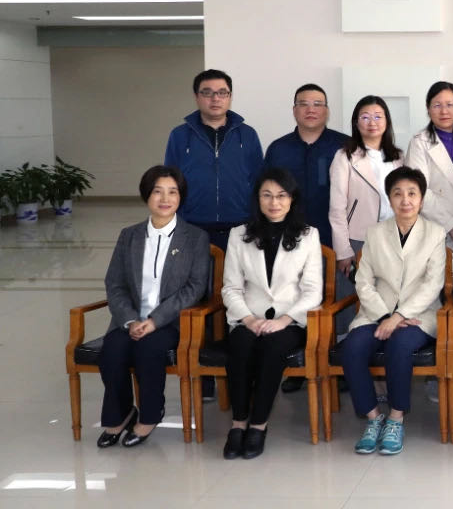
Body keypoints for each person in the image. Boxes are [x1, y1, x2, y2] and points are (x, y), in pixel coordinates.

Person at [96, 166, 210, 448]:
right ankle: (121, 413)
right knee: (112, 350)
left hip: (171, 322)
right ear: (147, 195)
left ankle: (150, 414)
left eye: (172, 192)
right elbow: (115, 284)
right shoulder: (129, 236)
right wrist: (130, 320)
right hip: (131, 320)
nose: (165, 199)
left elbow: (195, 288)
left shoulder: (195, 237)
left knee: (148, 349)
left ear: (181, 197)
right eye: (158, 191)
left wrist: (155, 320)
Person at [342, 167, 447, 456]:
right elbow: (363, 281)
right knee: (352, 347)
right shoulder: (375, 233)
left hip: (419, 315)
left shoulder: (435, 234)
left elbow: (433, 284)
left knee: (399, 345)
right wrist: (384, 316)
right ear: (389, 199)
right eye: (398, 194)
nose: (405, 200)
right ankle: (373, 417)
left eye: (412, 193)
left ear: (421, 199)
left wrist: (399, 317)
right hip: (376, 312)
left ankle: (396, 418)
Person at [221, 168, 323, 459]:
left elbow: (313, 291)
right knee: (239, 346)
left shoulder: (308, 235)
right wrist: (248, 319)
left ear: (292, 199)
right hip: (248, 317)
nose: (274, 202)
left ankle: (258, 425)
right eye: (267, 195)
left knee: (273, 348)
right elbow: (231, 288)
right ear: (258, 199)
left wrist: (284, 320)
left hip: (290, 320)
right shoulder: (239, 235)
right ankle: (238, 423)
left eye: (281, 196)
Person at [163, 69, 263, 249]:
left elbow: (258, 180)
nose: (215, 98)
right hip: (192, 226)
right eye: (207, 93)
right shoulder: (179, 135)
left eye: (222, 93)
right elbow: (170, 183)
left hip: (241, 227)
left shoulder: (248, 135)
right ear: (196, 96)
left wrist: (255, 219)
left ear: (230, 96)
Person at [328, 95, 403, 329]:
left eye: (378, 116)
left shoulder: (398, 157)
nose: (372, 122)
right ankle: (347, 342)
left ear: (387, 121)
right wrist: (343, 250)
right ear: (356, 122)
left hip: (393, 237)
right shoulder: (344, 157)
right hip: (358, 240)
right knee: (353, 301)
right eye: (365, 117)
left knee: (389, 298)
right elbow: (337, 208)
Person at [263, 83, 346, 247]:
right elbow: (265, 194)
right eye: (303, 104)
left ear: (327, 111)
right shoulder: (278, 149)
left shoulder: (345, 146)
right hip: (286, 238)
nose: (310, 110)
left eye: (317, 104)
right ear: (294, 110)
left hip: (334, 240)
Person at [405, 81, 453, 272]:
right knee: (438, 286)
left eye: (450, 104)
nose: (444, 111)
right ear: (428, 109)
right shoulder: (419, 143)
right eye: (437, 105)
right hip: (436, 230)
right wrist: (452, 227)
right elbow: (418, 190)